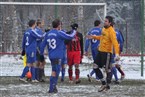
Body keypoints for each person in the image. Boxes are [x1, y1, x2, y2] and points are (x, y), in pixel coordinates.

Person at [40, 19, 76, 93]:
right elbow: (70, 37)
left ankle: (53, 87)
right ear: (59, 25)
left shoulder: (48, 33)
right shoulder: (58, 33)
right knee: (56, 72)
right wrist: (74, 30)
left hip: (51, 55)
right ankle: (51, 88)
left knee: (54, 71)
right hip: (57, 56)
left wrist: (41, 54)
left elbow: (42, 45)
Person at [87, 16, 120, 92]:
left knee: (108, 69)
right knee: (95, 66)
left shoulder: (111, 31)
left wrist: (117, 53)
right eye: (104, 21)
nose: (104, 22)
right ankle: (103, 83)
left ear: (110, 23)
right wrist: (94, 37)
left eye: (106, 21)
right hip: (100, 52)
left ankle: (107, 86)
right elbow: (102, 37)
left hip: (107, 53)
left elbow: (115, 43)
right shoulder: (104, 29)